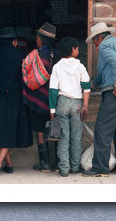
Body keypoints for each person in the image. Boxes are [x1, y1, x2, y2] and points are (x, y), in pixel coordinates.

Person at [82, 22, 116, 177]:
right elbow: (106, 71)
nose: (95, 46)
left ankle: (100, 167)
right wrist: (93, 84)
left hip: (114, 93)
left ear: (99, 37)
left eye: (95, 41)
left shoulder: (105, 46)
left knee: (103, 130)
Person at [0, 27, 32, 177]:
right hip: (13, 96)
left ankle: (9, 164)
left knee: (2, 128)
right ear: (14, 41)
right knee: (8, 128)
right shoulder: (19, 55)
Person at [49, 37, 91, 177]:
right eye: (77, 48)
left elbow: (53, 90)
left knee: (63, 138)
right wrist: (85, 106)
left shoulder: (57, 67)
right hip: (77, 104)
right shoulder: (80, 67)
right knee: (76, 137)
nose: (78, 50)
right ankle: (74, 167)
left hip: (62, 103)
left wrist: (52, 111)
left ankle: (64, 169)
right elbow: (86, 87)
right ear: (73, 50)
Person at [22, 22, 60, 173]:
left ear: (39, 39)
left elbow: (26, 76)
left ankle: (44, 164)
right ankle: (57, 163)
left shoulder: (33, 55)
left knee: (39, 129)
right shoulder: (58, 55)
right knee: (56, 128)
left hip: (38, 99)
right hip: (53, 98)